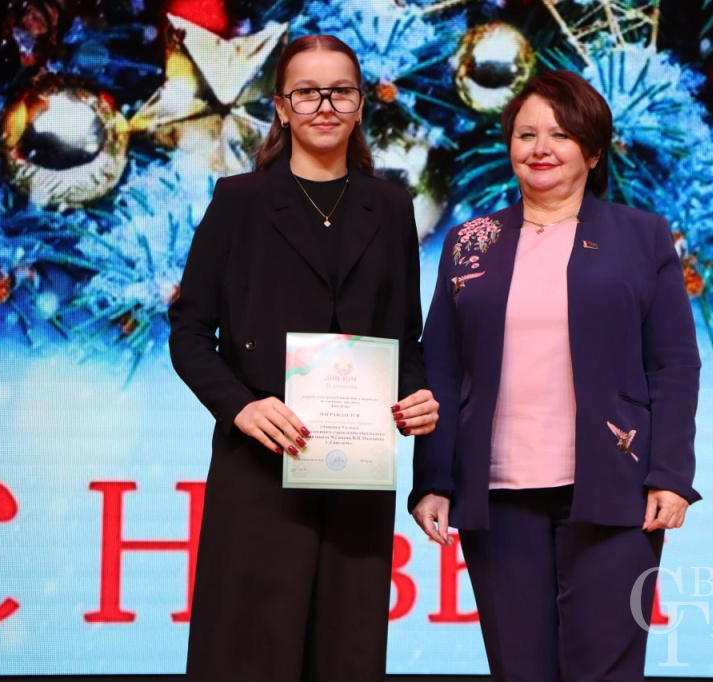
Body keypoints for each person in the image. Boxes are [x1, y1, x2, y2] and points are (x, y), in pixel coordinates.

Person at [409, 69, 701, 682]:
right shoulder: (470, 242)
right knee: (520, 669)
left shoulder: (642, 236)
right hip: (498, 492)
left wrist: (671, 475)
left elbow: (673, 363)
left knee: (606, 668)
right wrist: (432, 480)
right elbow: (440, 366)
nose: (541, 148)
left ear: (592, 152)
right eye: (526, 134)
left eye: (561, 135)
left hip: (616, 489)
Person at [169, 34, 438, 682]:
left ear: (361, 104)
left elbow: (405, 337)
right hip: (260, 468)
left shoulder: (391, 206)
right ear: (282, 107)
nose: (324, 106)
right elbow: (189, 330)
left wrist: (416, 397)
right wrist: (240, 407)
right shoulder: (240, 201)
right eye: (307, 92)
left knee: (347, 655)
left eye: (340, 91)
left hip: (357, 475)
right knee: (246, 655)